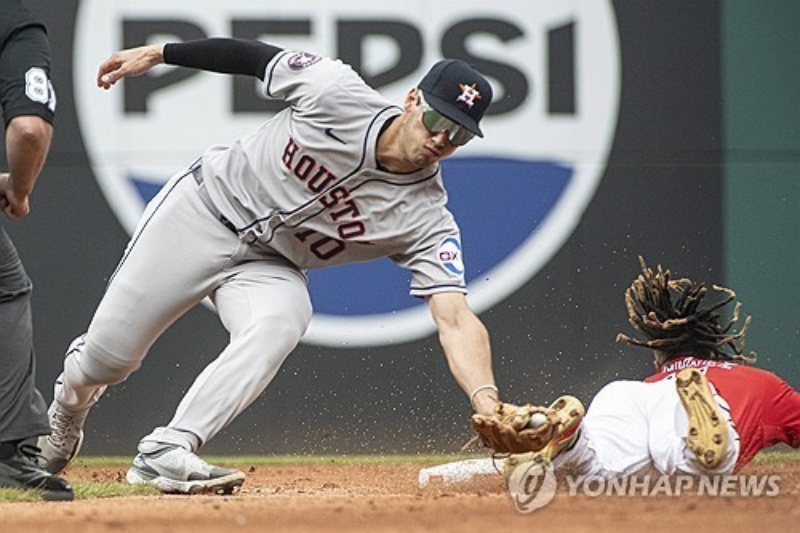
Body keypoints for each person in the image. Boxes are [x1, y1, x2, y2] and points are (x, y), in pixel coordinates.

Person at [37, 37, 502, 494]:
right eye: (438, 120)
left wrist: (488, 403)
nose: (442, 139)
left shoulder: (427, 218)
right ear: (412, 100)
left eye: (459, 134)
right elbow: (254, 57)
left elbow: (455, 318)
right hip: (202, 210)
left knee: (283, 319)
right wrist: (159, 53)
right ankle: (67, 410)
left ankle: (169, 448)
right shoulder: (335, 91)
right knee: (107, 360)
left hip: (270, 264)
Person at [500, 257, 799, 481]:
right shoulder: (761, 383)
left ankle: (570, 440)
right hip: (692, 402)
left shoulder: (653, 379)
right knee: (689, 470)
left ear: (660, 359)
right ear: (712, 349)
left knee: (597, 469)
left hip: (626, 396)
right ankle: (697, 453)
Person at [0, 0, 73, 501]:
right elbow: (29, 127)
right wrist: (19, 190)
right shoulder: (14, 19)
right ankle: (7, 452)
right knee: (6, 289)